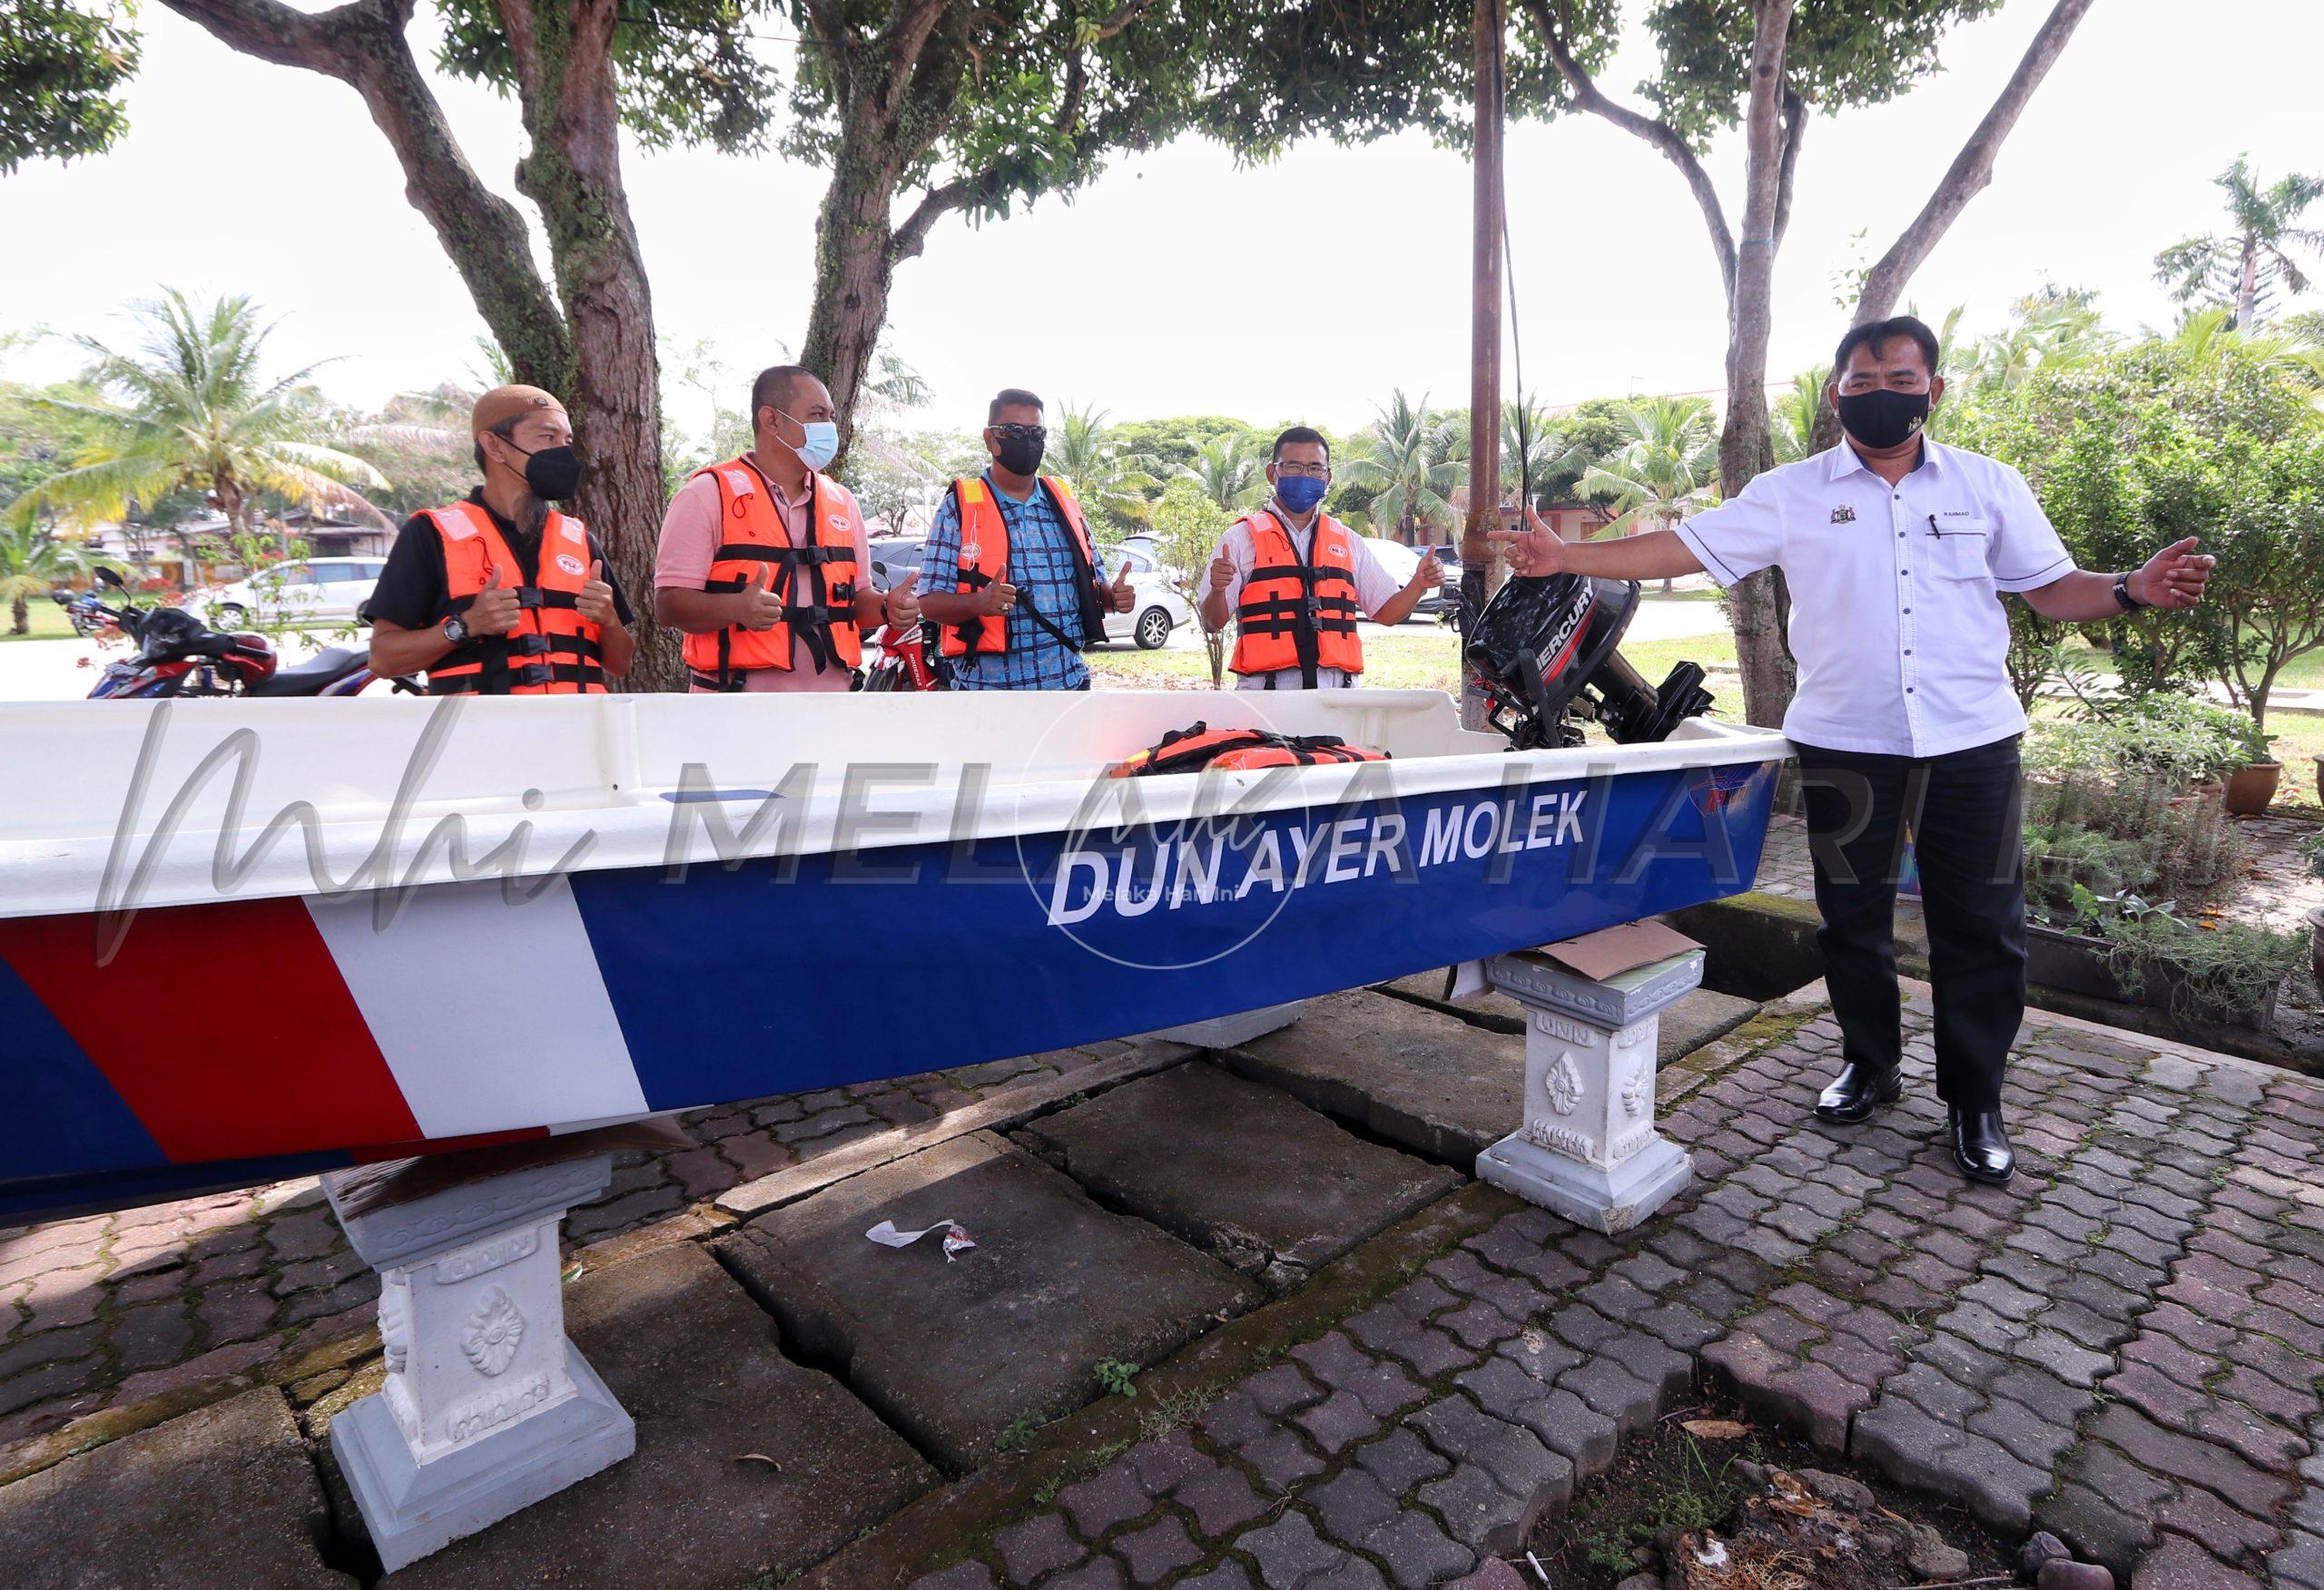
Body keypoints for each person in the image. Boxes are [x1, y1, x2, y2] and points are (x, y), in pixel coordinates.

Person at [1491, 315, 2214, 1185]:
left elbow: (2054, 592)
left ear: (1933, 391)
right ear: (1838, 396)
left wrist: (2131, 589)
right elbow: (1686, 546)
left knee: (1983, 926)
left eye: (1901, 382)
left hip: (1971, 741)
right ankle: (1870, 1065)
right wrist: (1567, 554)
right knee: (1854, 922)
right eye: (1862, 385)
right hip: (1846, 744)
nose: (1881, 397)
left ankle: (1974, 1099)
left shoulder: (1988, 486)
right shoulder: (1793, 492)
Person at [655, 365, 918, 692]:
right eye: (817, 414)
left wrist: (885, 607)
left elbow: (857, 599)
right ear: (772, 420)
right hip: (734, 707)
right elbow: (668, 604)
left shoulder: (842, 501)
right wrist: (736, 608)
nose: (830, 426)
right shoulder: (707, 494)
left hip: (833, 705)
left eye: (831, 416)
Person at [368, 385, 635, 692]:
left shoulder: (580, 540)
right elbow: (383, 659)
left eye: (567, 441)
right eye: (547, 437)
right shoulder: (430, 534)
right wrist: (466, 625)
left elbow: (620, 664)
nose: (562, 452)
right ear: (494, 446)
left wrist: (609, 620)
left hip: (576, 731)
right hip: (482, 734)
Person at [914, 388, 1135, 691]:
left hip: (1068, 684)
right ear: (990, 438)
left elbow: (1097, 589)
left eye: (1036, 432)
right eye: (1014, 431)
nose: (1028, 440)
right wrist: (979, 602)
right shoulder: (959, 508)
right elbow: (929, 603)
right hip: (989, 693)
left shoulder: (1064, 505)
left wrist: (1114, 597)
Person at [1198, 426, 1443, 689]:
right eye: (1293, 466)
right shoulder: (1239, 539)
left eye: (1315, 468)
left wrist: (1418, 584)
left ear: (1327, 478)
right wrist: (1217, 590)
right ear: (1272, 473)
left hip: (1338, 698)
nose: (1305, 475)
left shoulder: (1347, 540)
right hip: (1266, 698)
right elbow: (1213, 622)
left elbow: (1387, 613)